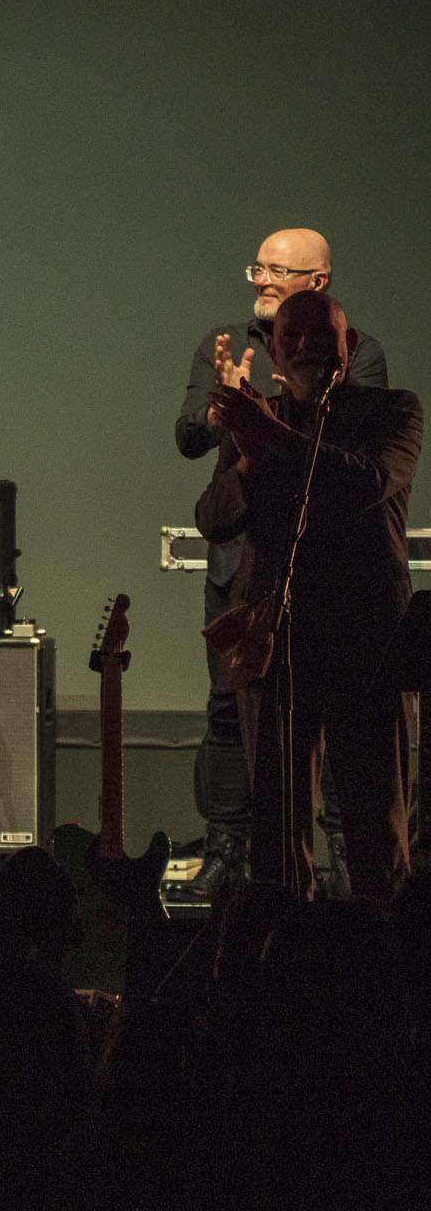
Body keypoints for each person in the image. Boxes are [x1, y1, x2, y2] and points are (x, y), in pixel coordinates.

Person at [174, 228, 388, 899]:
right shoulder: (224, 345)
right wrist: (224, 411)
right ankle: (226, 849)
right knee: (227, 710)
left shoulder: (360, 353)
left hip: (323, 569)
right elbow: (186, 438)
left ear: (318, 283)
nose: (262, 281)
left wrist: (277, 413)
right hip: (239, 566)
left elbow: (355, 448)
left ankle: (347, 856)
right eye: (258, 270)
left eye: (277, 271)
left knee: (327, 712)